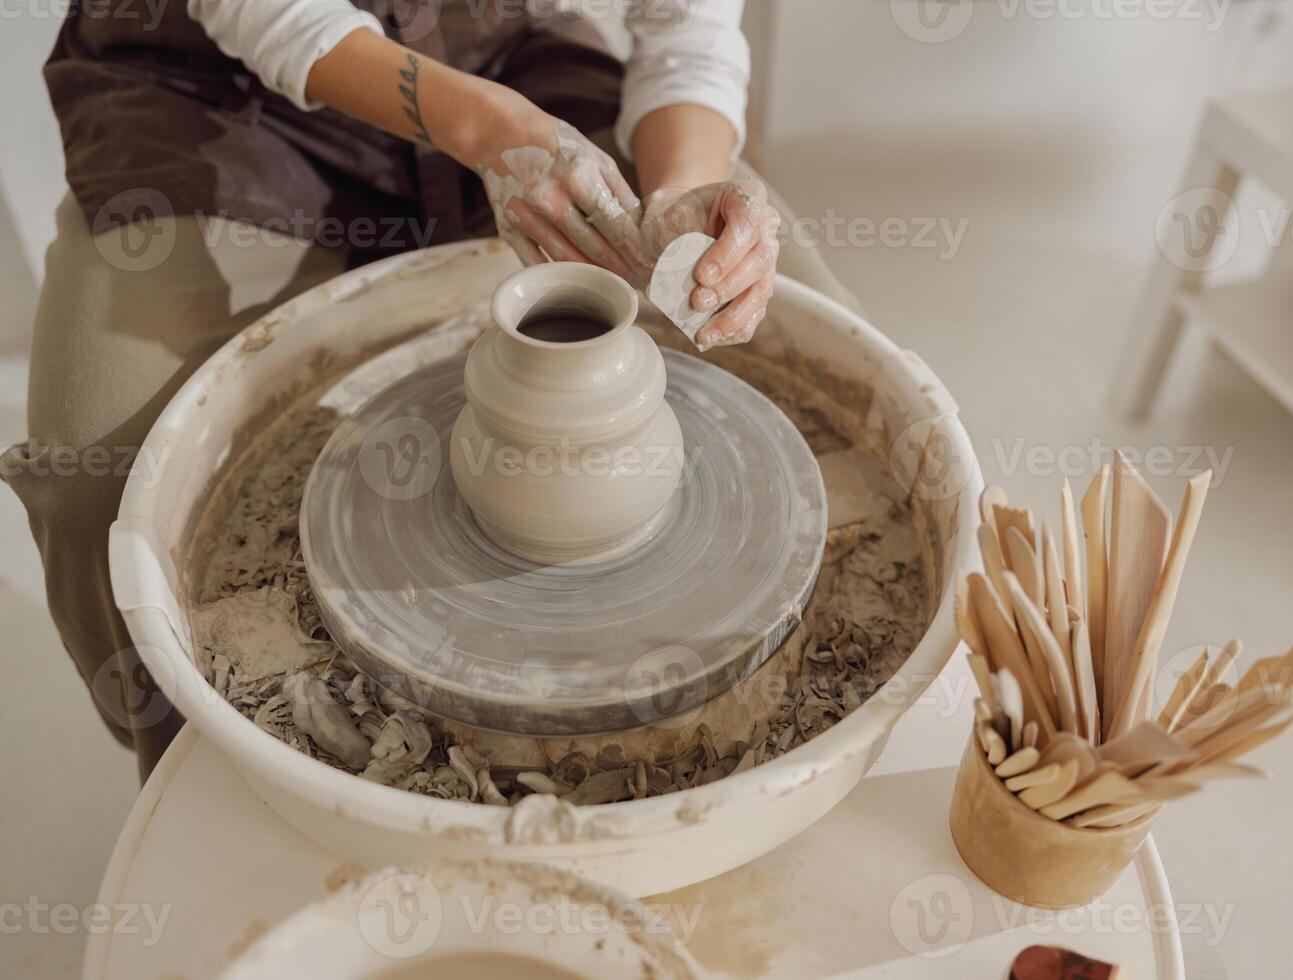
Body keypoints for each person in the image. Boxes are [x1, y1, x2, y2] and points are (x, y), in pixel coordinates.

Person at [3, 0, 858, 779]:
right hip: (206, 87)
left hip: (497, 49)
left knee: (828, 356)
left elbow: (688, 34)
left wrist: (678, 197)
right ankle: (201, 778)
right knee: (102, 482)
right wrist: (481, 127)